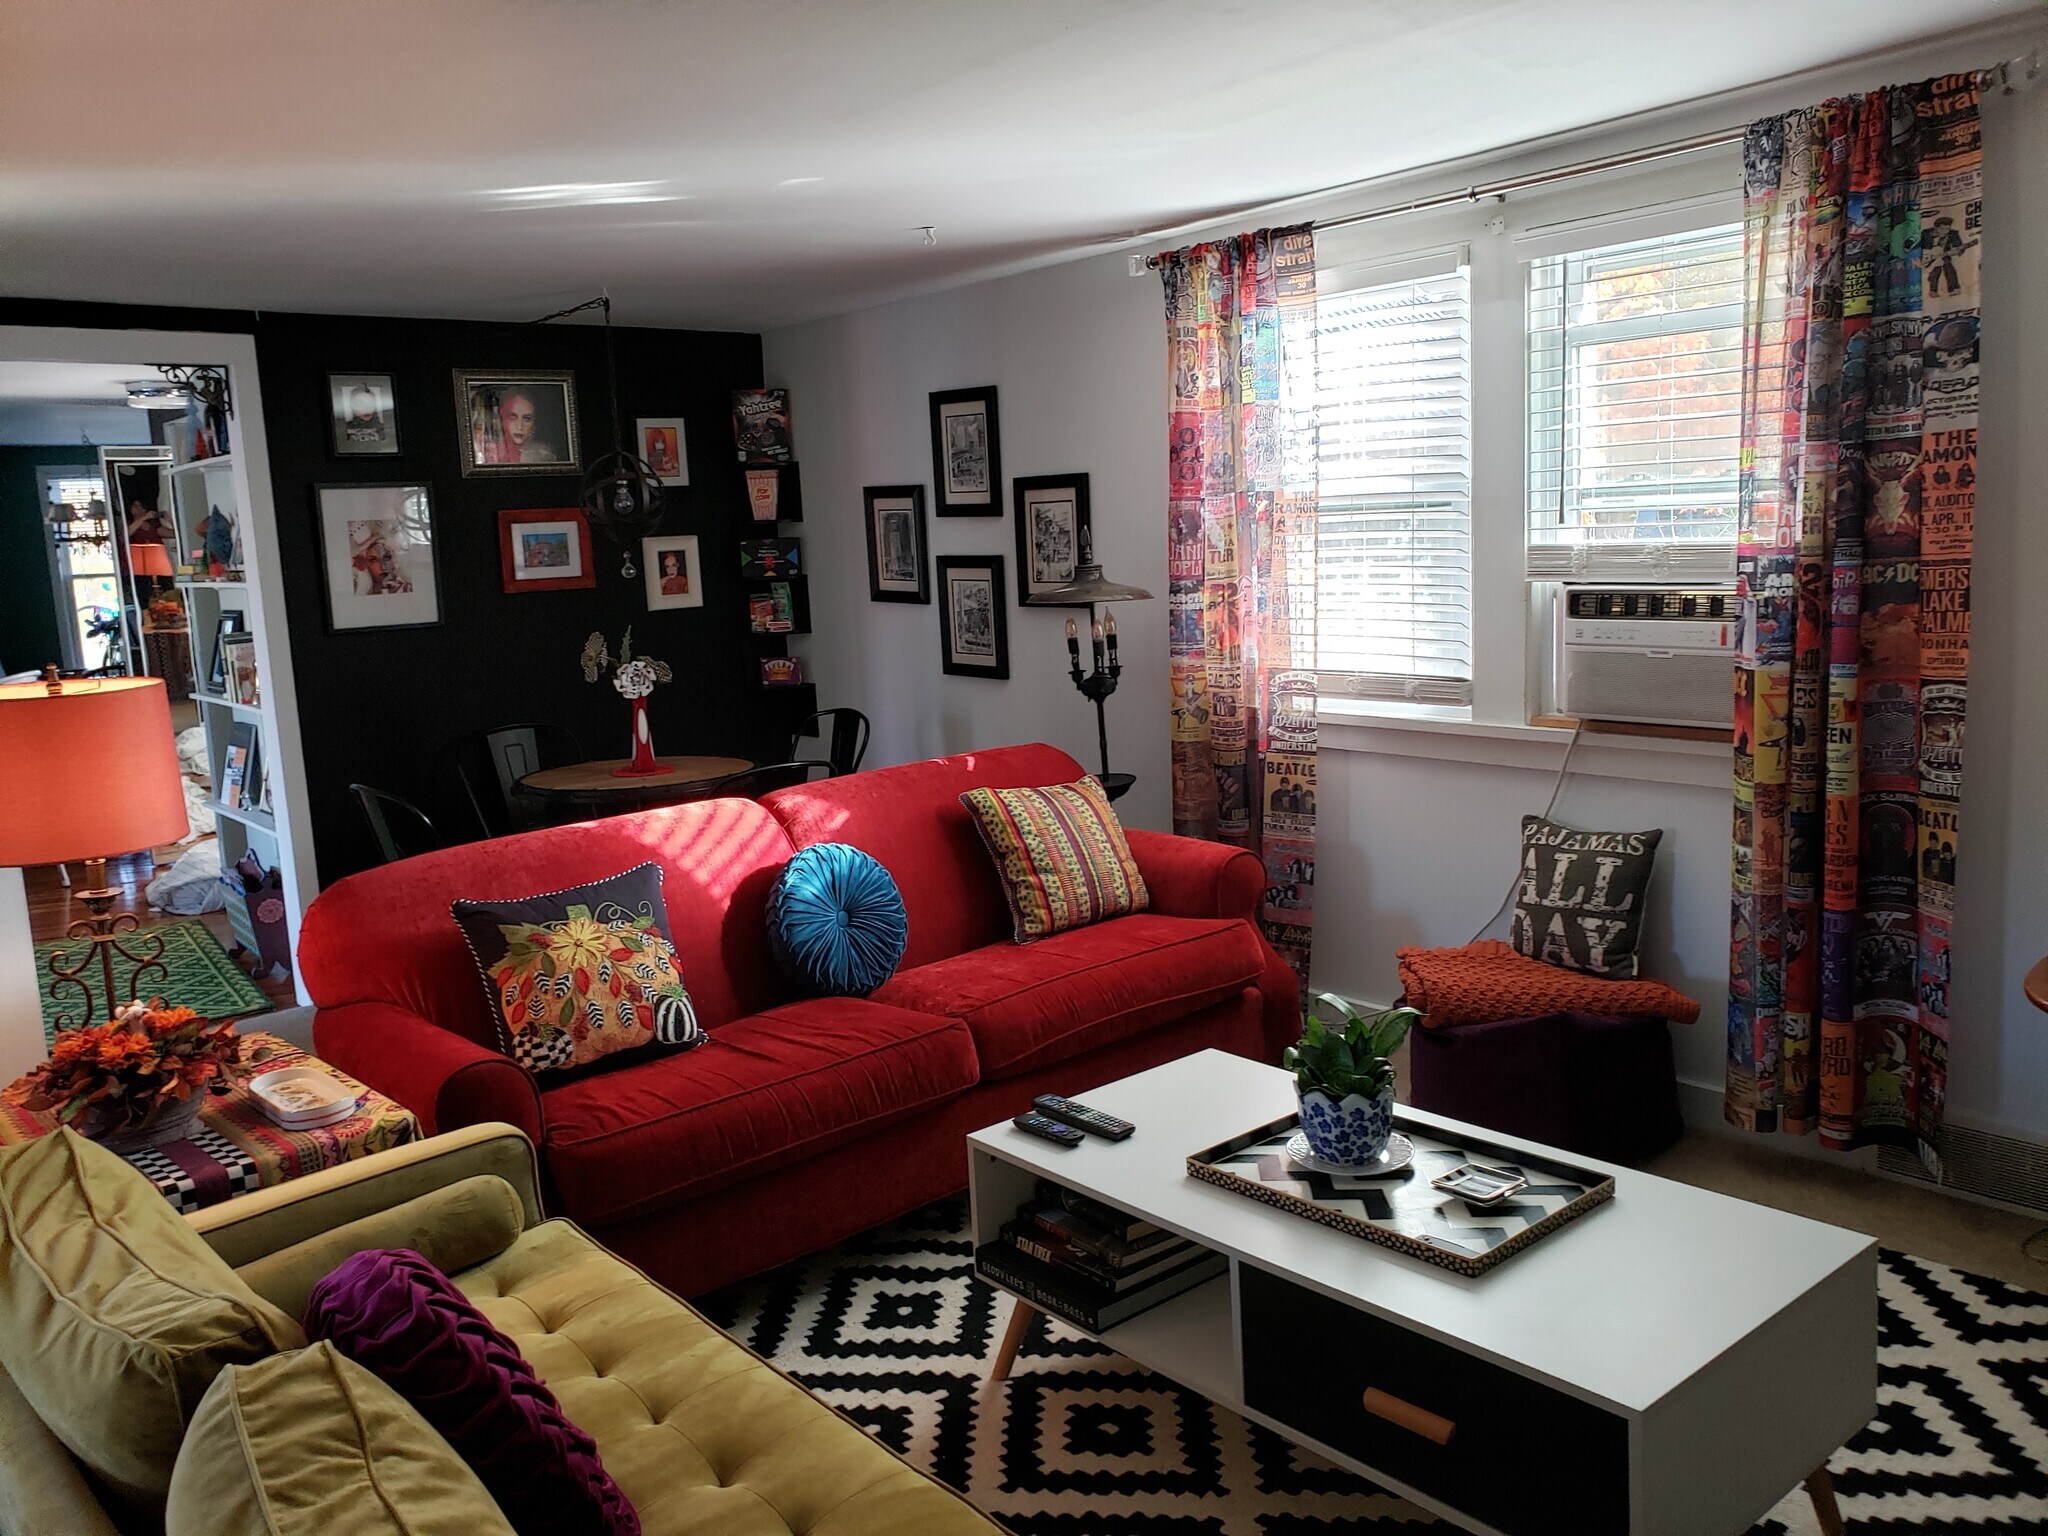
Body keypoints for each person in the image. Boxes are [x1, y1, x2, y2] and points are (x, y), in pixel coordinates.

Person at [481, 389, 560, 464]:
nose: (519, 427)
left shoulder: (544, 455)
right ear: (502, 419)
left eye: (526, 419)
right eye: (512, 418)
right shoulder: (488, 452)